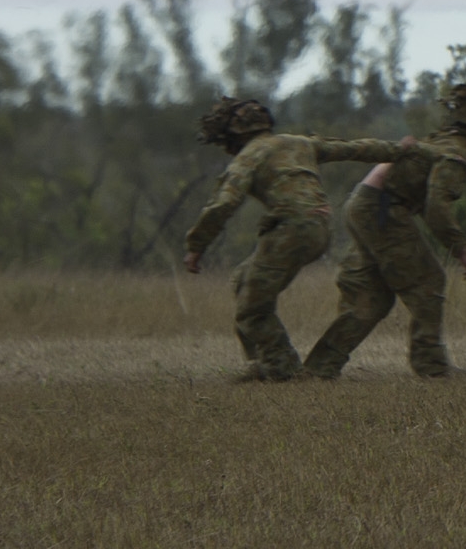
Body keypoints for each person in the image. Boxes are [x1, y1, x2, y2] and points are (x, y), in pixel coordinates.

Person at [179, 98, 422, 381]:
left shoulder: (249, 156)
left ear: (232, 136)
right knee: (243, 280)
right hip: (319, 228)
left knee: (251, 309)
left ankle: (284, 372)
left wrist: (196, 246)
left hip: (290, 230)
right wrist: (398, 149)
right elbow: (354, 148)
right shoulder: (299, 143)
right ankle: (261, 361)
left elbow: (223, 204)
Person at [305, 73, 466, 382]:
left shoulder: (443, 140)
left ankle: (318, 369)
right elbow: (437, 208)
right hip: (381, 208)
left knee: (372, 299)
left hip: (364, 203)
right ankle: (432, 366)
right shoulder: (456, 155)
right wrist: (463, 252)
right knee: (428, 282)